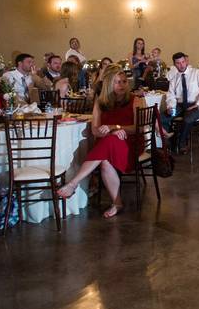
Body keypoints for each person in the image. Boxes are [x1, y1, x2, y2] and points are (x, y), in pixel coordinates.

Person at [58, 68, 142, 218]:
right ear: (109, 84)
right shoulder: (101, 101)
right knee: (105, 160)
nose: (122, 85)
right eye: (117, 82)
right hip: (108, 142)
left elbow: (136, 128)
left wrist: (113, 127)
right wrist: (110, 132)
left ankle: (73, 182)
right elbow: (95, 131)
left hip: (130, 143)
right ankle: (117, 203)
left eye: (124, 82)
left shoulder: (135, 99)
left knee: (109, 140)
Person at [165, 51, 199, 154]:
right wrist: (171, 107)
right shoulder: (174, 78)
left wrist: (198, 103)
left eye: (183, 62)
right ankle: (169, 141)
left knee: (187, 119)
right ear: (174, 64)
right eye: (178, 63)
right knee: (163, 117)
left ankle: (181, 144)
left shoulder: (196, 73)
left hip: (196, 106)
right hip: (180, 107)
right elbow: (171, 95)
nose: (181, 65)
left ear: (186, 61)